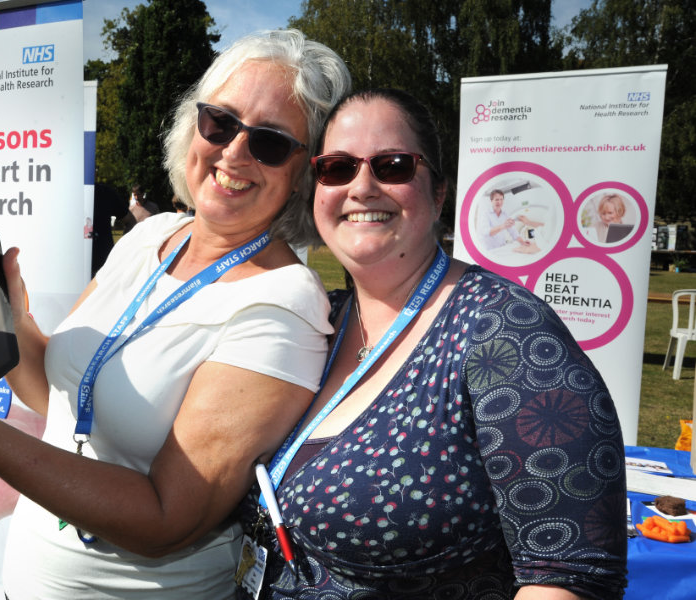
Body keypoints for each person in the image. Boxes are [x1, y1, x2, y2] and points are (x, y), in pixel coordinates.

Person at [0, 29, 351, 599]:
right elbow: (60, 399)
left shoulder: (283, 304)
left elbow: (169, 520)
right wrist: (9, 319)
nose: (234, 152)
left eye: (270, 142)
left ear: (302, 172)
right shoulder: (151, 235)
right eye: (219, 122)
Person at [238, 88, 627, 599]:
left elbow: (569, 576)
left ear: (439, 193)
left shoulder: (508, 333)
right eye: (336, 167)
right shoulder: (318, 319)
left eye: (393, 165)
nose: (362, 187)